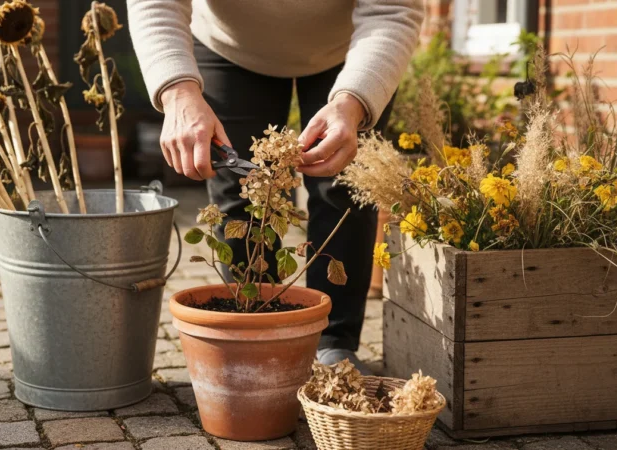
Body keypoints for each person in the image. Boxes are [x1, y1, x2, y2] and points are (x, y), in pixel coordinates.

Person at [127, 0, 424, 374]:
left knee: (343, 191)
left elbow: (393, 9)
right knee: (241, 194)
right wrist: (178, 91)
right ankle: (260, 334)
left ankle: (334, 343)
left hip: (350, 48)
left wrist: (352, 104)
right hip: (228, 45)